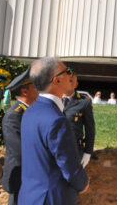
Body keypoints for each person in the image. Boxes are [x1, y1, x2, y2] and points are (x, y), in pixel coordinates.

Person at [19, 57, 89, 204]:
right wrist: (83, 183)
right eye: (67, 71)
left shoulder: (30, 111)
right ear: (56, 80)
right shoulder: (56, 119)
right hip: (52, 198)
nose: (71, 75)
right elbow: (69, 167)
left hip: (29, 196)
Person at [1, 68, 38, 205]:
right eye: (36, 86)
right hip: (21, 177)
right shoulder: (14, 115)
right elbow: (19, 151)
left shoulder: (31, 112)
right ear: (24, 91)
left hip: (33, 177)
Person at [63, 74, 95, 168]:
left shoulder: (84, 102)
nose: (68, 83)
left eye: (71, 81)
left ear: (76, 84)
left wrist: (88, 152)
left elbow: (90, 129)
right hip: (55, 149)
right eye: (66, 80)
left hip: (75, 150)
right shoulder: (54, 100)